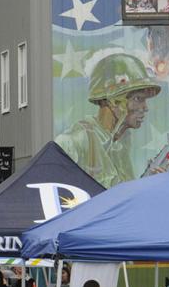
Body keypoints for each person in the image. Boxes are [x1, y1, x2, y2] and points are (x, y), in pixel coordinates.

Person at [55, 52, 161, 187]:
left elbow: (120, 194)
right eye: (137, 99)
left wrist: (149, 182)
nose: (145, 108)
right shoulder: (73, 141)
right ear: (113, 101)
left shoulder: (121, 143)